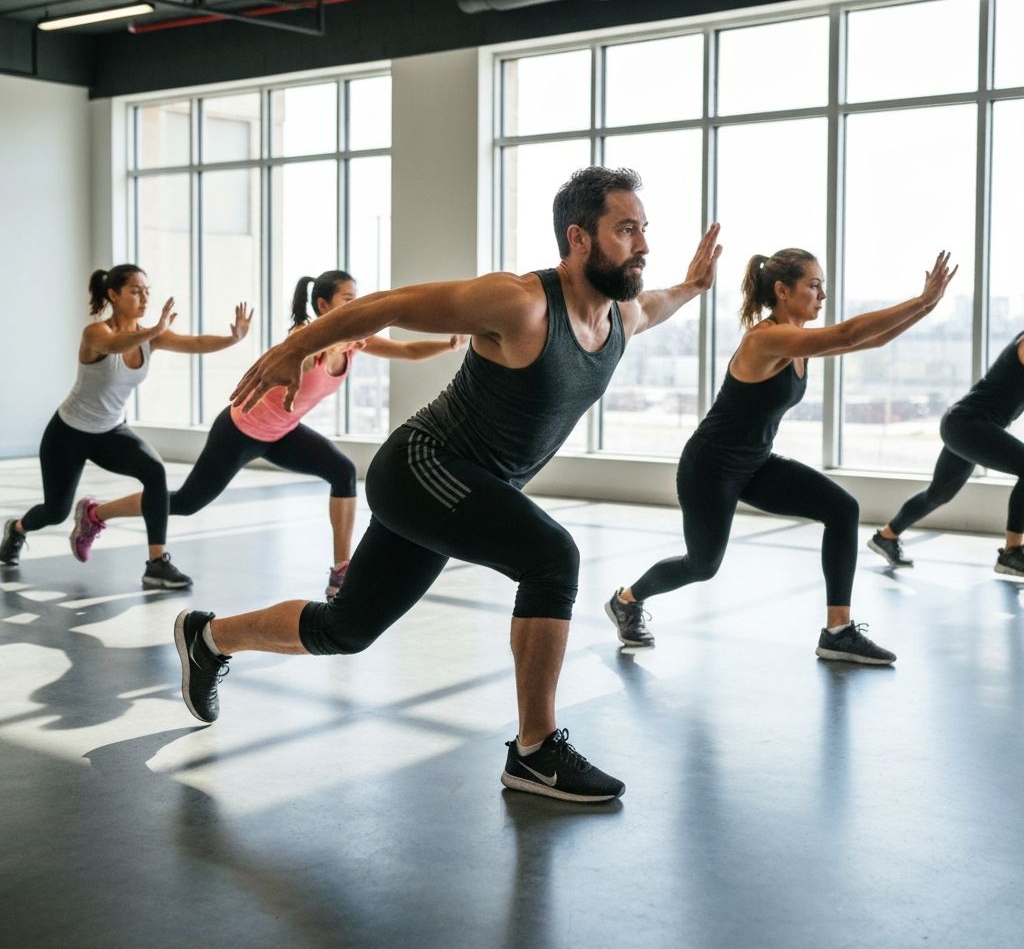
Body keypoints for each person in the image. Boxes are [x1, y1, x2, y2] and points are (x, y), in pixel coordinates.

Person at [173, 166, 722, 803]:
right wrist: (295, 348)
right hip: (420, 467)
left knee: (346, 629)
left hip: (460, 488)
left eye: (644, 229)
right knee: (552, 558)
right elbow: (392, 304)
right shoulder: (520, 302)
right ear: (578, 238)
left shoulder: (622, 318)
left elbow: (660, 303)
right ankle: (535, 751)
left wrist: (694, 285)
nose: (643, 245)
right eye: (626, 230)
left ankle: (208, 637)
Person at [604, 247, 956, 665]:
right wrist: (919, 299)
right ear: (782, 290)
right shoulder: (767, 339)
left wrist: (927, 306)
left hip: (754, 464)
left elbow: (873, 338)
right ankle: (627, 600)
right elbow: (847, 334)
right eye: (814, 285)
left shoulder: (799, 341)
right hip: (710, 468)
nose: (822, 295)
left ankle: (838, 632)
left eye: (823, 286)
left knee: (842, 508)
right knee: (702, 565)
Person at [75, 271, 466, 597]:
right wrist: (337, 342)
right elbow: (304, 357)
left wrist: (447, 344)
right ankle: (95, 513)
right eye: (348, 299)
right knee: (186, 502)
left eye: (357, 298)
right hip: (241, 429)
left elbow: (408, 352)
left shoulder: (354, 341)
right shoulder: (305, 334)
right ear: (323, 305)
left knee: (343, 471)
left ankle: (340, 572)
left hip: (283, 432)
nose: (356, 305)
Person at [0, 264, 252, 589]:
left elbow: (195, 343)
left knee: (155, 472)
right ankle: (17, 529)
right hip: (68, 434)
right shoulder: (95, 333)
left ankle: (156, 564)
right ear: (113, 295)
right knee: (55, 511)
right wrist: (155, 330)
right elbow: (115, 346)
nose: (144, 298)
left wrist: (233, 338)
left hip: (110, 433)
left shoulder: (150, 337)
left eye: (147, 291)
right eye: (135, 291)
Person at [868, 331, 1024, 576]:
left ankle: (886, 537)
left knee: (938, 493)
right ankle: (1011, 552)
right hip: (967, 424)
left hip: (967, 426)